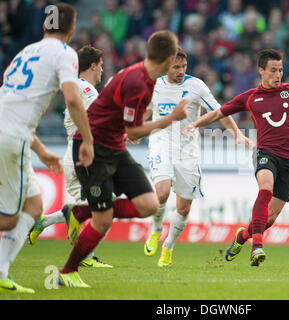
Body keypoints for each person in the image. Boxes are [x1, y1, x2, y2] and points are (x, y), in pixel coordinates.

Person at [182, 49, 289, 267]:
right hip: (266, 153)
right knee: (265, 188)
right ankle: (257, 247)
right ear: (261, 70)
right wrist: (194, 123)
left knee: (269, 218)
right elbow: (219, 113)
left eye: (280, 70)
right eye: (272, 70)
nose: (277, 74)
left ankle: (242, 236)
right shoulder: (250, 97)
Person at [58, 30, 188, 288]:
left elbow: (130, 125)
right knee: (103, 220)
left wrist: (143, 124)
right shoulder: (137, 82)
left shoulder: (144, 77)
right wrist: (169, 119)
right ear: (169, 58)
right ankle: (67, 271)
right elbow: (133, 130)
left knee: (150, 205)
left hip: (115, 148)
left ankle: (80, 212)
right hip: (91, 147)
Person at [0, 3, 94, 293]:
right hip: (11, 137)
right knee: (10, 218)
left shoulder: (24, 52)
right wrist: (88, 140)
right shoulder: (65, 54)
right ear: (71, 29)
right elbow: (74, 100)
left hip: (13, 133)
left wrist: (40, 150)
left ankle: (2, 271)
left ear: (44, 26)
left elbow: (11, 103)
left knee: (34, 206)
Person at [142, 47, 252, 267]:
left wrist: (237, 134)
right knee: (162, 193)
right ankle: (155, 230)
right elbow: (144, 110)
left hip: (187, 151)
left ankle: (168, 246)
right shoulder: (153, 84)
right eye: (176, 67)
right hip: (160, 143)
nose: (181, 71)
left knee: (183, 208)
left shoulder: (196, 86)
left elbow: (220, 111)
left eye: (183, 66)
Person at [28, 44, 112, 268]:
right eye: (101, 66)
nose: (102, 71)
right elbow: (99, 124)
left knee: (88, 208)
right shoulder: (90, 93)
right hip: (83, 157)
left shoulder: (74, 87)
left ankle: (43, 221)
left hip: (71, 154)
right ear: (92, 66)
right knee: (100, 211)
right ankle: (84, 258)